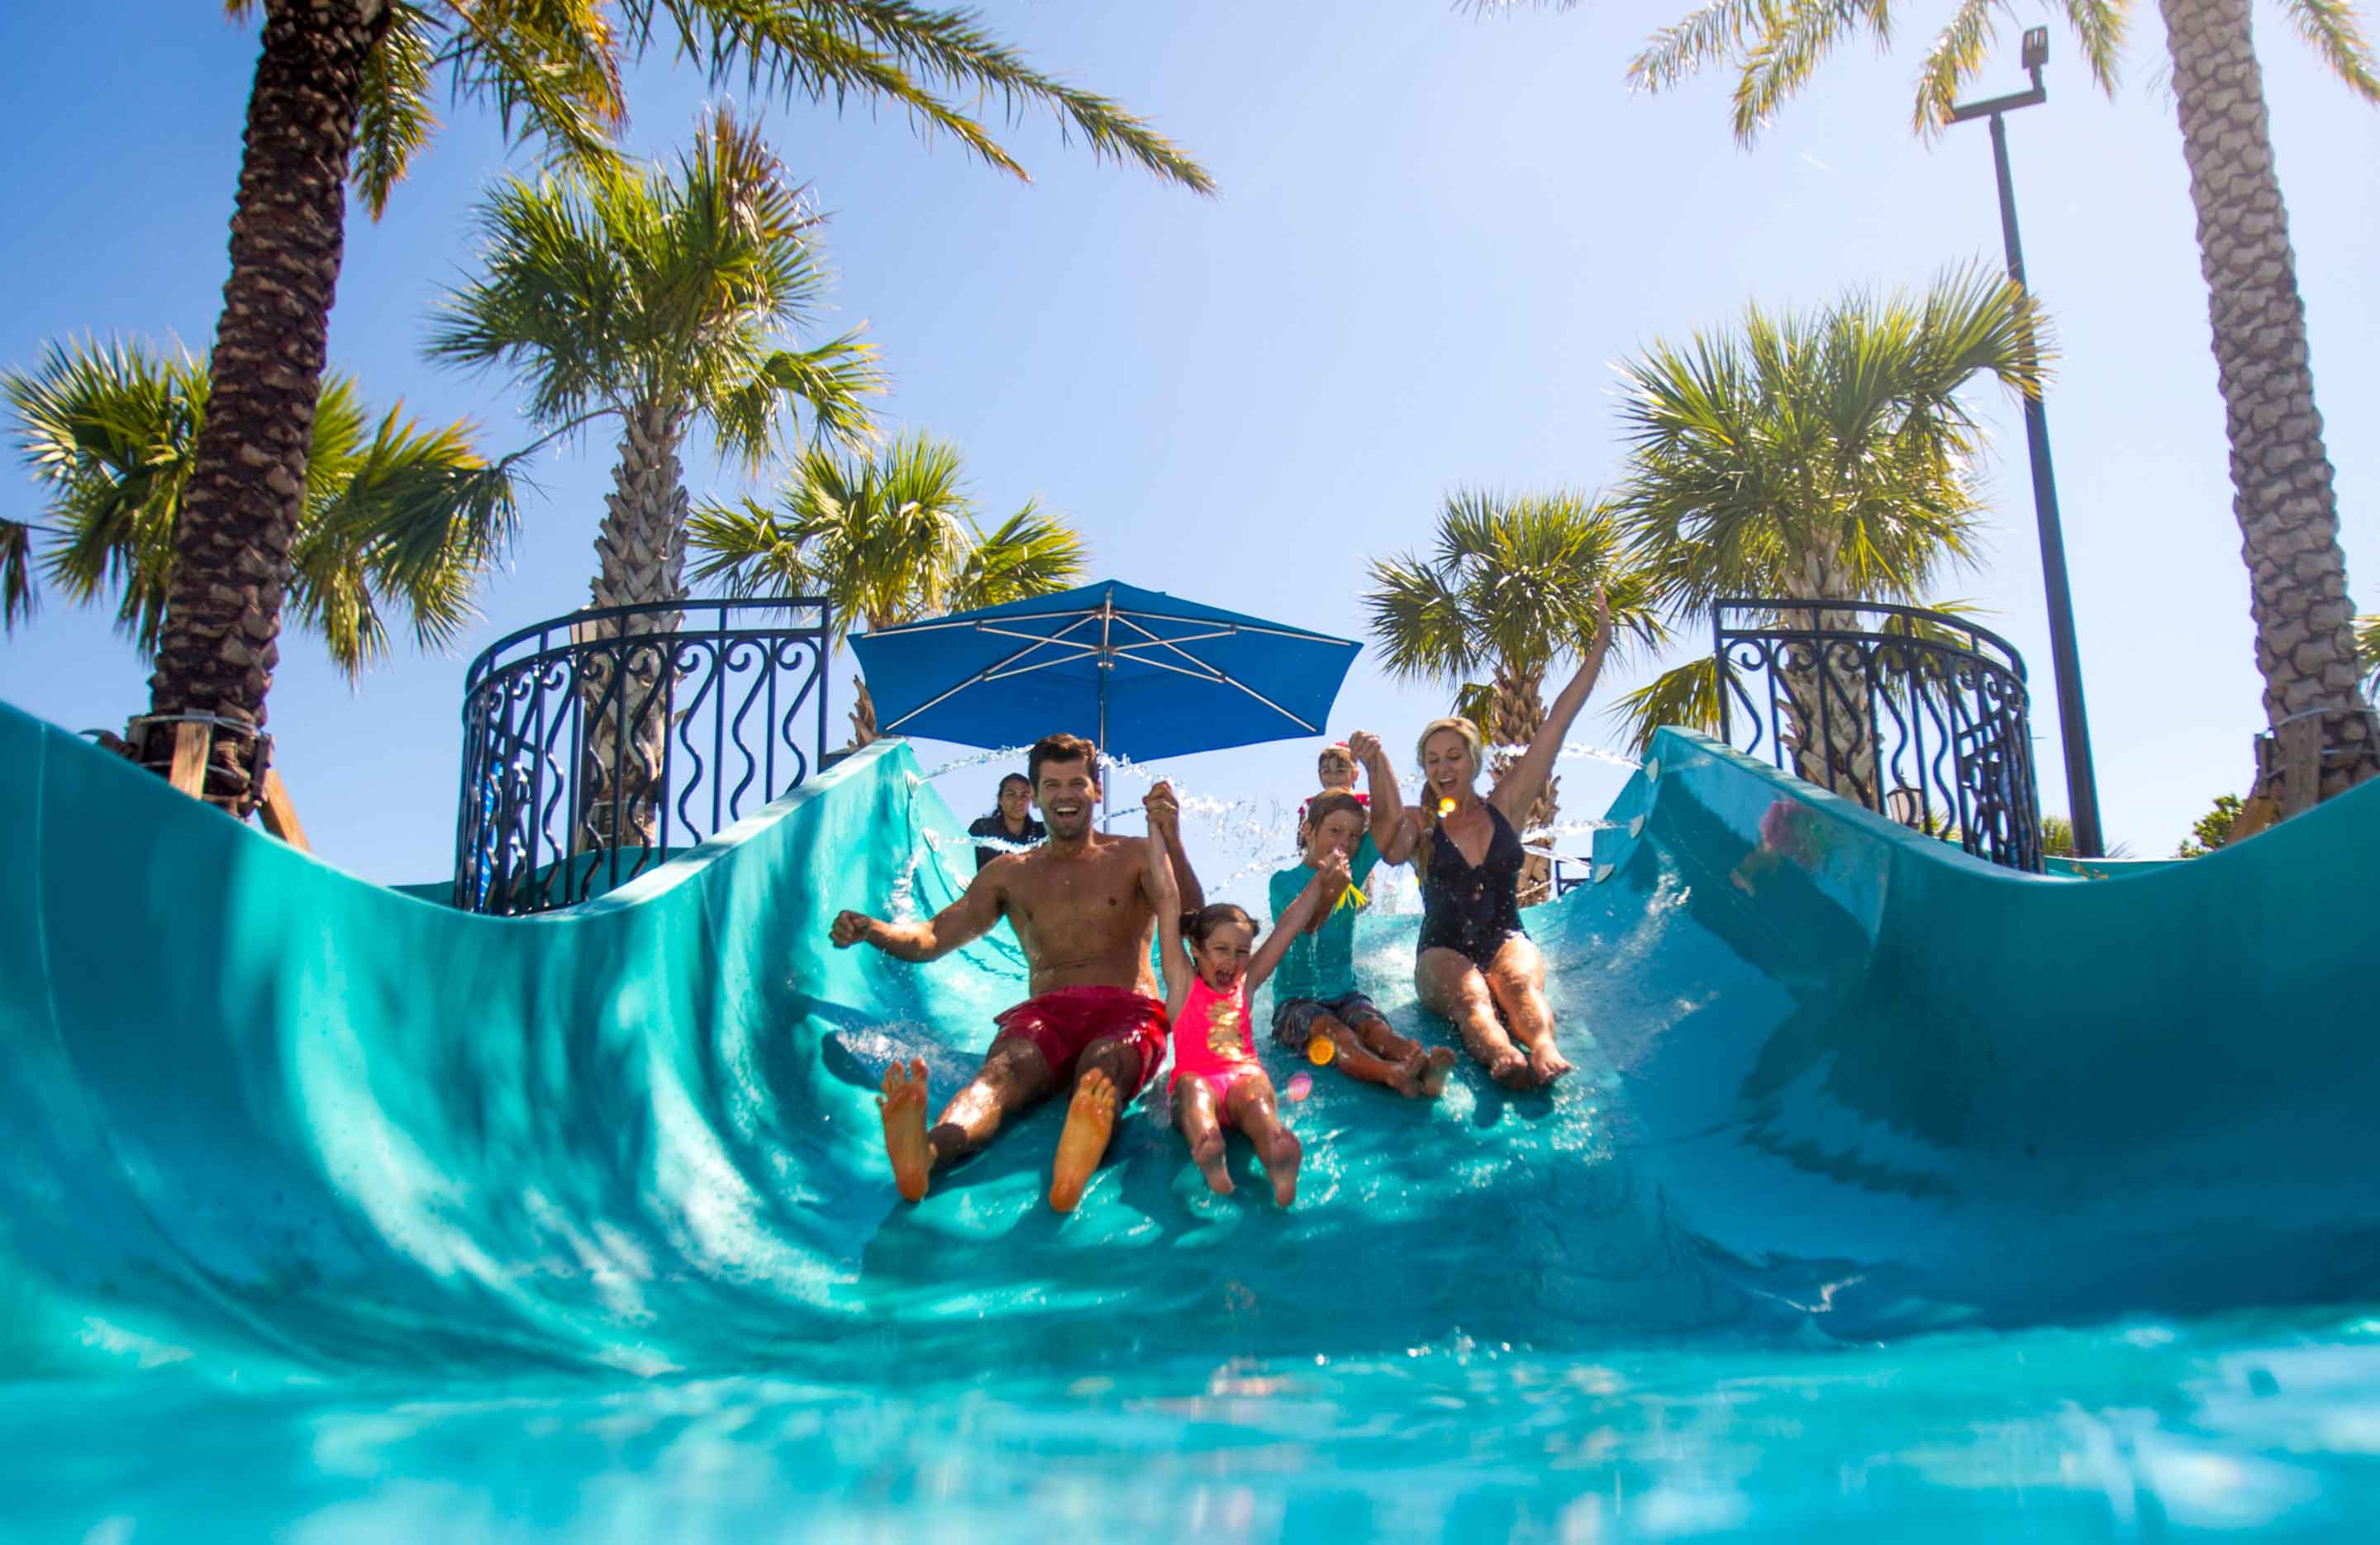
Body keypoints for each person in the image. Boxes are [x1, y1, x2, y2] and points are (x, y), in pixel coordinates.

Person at [832, 732, 1203, 1212]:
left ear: (1097, 790)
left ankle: (1078, 1155)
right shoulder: (1009, 873)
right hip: (1045, 1013)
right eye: (1052, 785)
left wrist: (1171, 841)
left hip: (1127, 1011)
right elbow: (931, 938)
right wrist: (873, 929)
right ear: (1036, 794)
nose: (1065, 795)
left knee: (1103, 1066)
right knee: (999, 1075)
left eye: (1077, 783)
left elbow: (1194, 921)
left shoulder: (1134, 855)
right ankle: (926, 1152)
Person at [1370, 591, 1613, 1090]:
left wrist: (1600, 647)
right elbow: (1389, 848)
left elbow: (1557, 723)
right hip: (1441, 949)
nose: (1443, 767)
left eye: (1453, 756)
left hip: (1506, 934)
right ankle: (1502, 1055)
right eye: (1433, 758)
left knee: (1519, 984)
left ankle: (1544, 1047)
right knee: (1473, 999)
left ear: (1473, 761)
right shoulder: (1421, 822)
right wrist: (1378, 768)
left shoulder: (1507, 805)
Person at [1144, 793, 1334, 1206]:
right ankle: (1209, 1145)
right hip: (1199, 1076)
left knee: (1257, 1105)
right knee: (1194, 1092)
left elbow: (1288, 927)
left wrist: (1320, 879)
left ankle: (1275, 1150)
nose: (1233, 961)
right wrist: (1156, 829)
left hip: (1244, 1075)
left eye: (1242, 952)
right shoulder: (1181, 981)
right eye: (1221, 949)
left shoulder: (1245, 986)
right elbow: (1167, 896)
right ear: (1195, 948)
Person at [1269, 745, 1457, 1099]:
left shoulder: (1353, 868)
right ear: (1308, 830)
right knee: (1337, 1034)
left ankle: (1421, 1064)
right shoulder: (1283, 882)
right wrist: (1328, 890)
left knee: (1375, 1029)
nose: (1345, 843)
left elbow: (1389, 822)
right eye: (1335, 831)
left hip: (1346, 994)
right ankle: (1392, 1073)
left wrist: (1376, 762)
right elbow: (1305, 930)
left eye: (1354, 836)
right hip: (1296, 1004)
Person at [1293, 742, 1368, 846]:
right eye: (1326, 771)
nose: (1333, 777)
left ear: (1354, 774)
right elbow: (1301, 845)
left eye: (1341, 771)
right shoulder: (1310, 805)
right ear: (1320, 775)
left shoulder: (1366, 801)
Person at [968, 772, 1045, 870]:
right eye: (1011, 795)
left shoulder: (1042, 833)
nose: (1018, 801)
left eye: (1024, 795)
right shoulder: (983, 828)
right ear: (1000, 799)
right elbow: (965, 863)